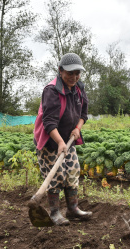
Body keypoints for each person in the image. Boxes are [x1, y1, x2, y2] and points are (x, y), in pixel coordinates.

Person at [33, 53, 92, 226]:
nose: (74, 77)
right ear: (60, 70)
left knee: (73, 170)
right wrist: (59, 142)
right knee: (56, 175)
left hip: (68, 138)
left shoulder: (79, 88)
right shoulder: (51, 90)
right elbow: (49, 122)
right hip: (50, 139)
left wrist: (77, 128)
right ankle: (54, 213)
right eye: (70, 73)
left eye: (77, 73)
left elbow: (83, 114)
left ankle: (73, 209)